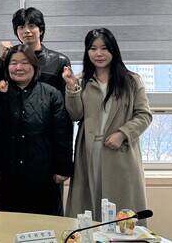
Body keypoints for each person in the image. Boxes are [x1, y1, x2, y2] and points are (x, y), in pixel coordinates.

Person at [63, 28, 152, 220]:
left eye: (104, 48)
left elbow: (144, 115)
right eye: (93, 48)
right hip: (88, 152)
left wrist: (123, 133)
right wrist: (71, 87)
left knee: (121, 211)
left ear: (113, 50)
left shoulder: (131, 81)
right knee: (89, 207)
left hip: (120, 153)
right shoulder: (80, 80)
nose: (99, 54)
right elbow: (75, 114)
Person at [0, 45, 73, 216]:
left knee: (44, 223)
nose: (19, 67)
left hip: (43, 174)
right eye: (13, 63)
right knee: (9, 223)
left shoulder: (52, 94)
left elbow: (62, 133)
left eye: (24, 62)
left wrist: (62, 168)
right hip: (7, 175)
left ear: (35, 66)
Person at [0, 7, 70, 93]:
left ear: (41, 30)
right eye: (21, 27)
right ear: (16, 32)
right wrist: (1, 59)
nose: (27, 31)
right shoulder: (10, 59)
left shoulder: (59, 61)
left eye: (31, 26)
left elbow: (65, 95)